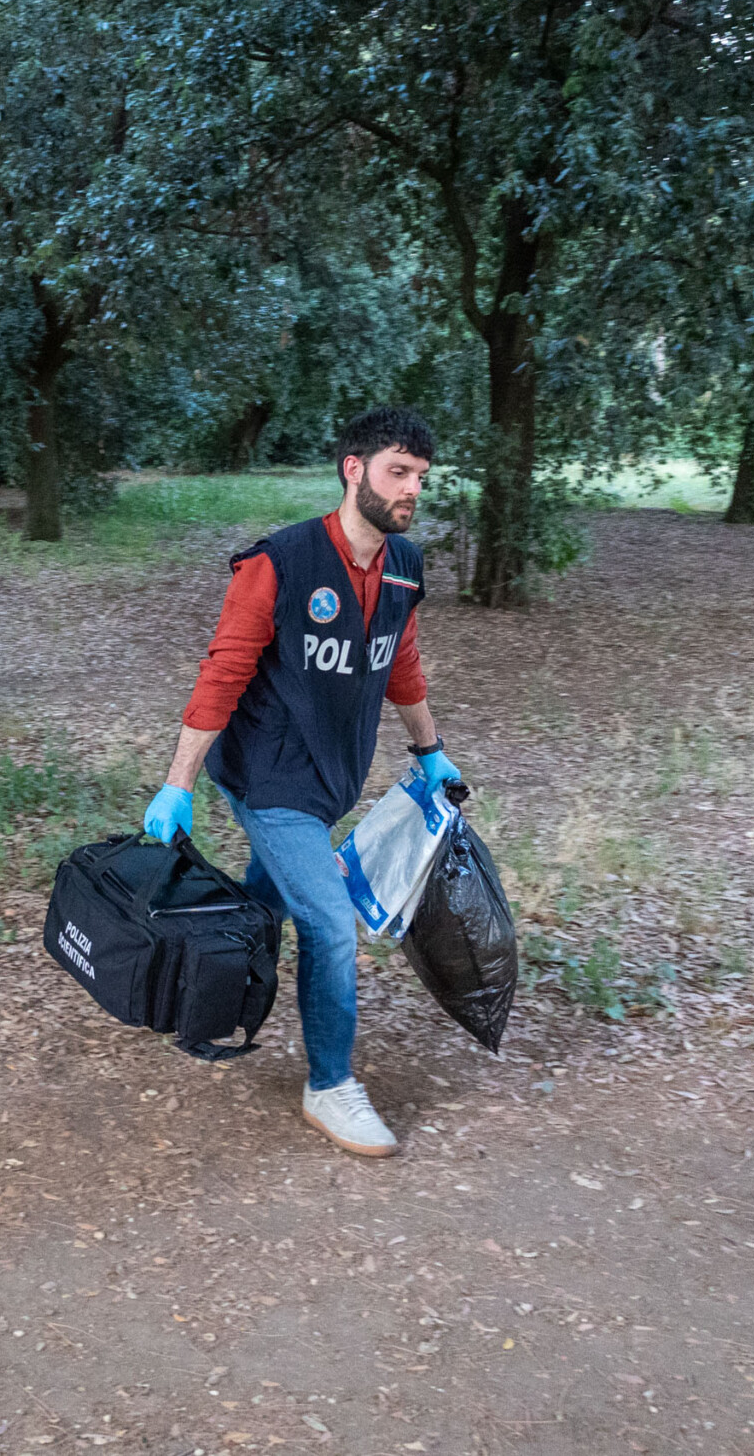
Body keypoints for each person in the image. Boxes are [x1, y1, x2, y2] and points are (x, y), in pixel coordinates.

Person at [140, 406, 461, 1158]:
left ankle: (196, 987)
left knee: (267, 903)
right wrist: (177, 782)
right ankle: (329, 1084)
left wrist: (431, 751)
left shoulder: (404, 564)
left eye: (420, 476)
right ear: (354, 470)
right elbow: (223, 671)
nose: (412, 488)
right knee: (328, 919)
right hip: (268, 774)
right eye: (398, 471)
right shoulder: (278, 564)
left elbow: (400, 661)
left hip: (332, 777)